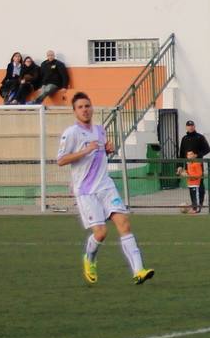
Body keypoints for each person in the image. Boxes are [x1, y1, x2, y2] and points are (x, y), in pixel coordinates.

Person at [56, 91, 155, 285]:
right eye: (80, 107)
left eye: (87, 106)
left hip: (106, 186)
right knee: (101, 233)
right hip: (86, 191)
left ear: (92, 107)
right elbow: (61, 160)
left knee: (124, 223)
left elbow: (100, 156)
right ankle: (89, 259)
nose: (85, 110)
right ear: (74, 111)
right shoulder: (71, 133)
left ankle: (139, 270)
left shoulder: (100, 130)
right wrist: (85, 150)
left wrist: (108, 149)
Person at [178, 120, 210, 208]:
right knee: (191, 185)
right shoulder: (184, 138)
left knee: (200, 183)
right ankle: (194, 203)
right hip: (188, 166)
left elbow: (207, 149)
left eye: (192, 125)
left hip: (198, 165)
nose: (190, 127)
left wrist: (197, 155)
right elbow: (181, 154)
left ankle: (200, 203)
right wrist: (180, 166)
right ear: (186, 127)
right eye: (188, 126)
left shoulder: (200, 137)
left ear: (194, 126)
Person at [176, 150, 204, 214]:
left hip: (195, 183)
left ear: (195, 155)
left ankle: (196, 209)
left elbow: (199, 174)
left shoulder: (197, 164)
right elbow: (187, 172)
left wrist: (189, 176)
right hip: (190, 183)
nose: (189, 156)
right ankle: (194, 208)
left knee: (195, 196)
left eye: (191, 154)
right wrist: (182, 171)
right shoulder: (188, 164)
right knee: (192, 196)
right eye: (188, 155)